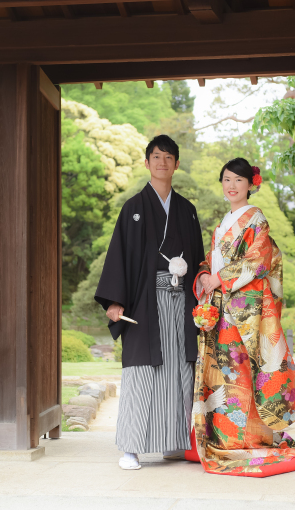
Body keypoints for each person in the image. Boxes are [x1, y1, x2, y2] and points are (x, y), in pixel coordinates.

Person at [187, 157, 295, 477]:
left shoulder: (255, 218)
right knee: (221, 374)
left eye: (238, 181)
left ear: (250, 185)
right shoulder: (224, 222)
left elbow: (259, 259)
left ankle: (246, 438)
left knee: (240, 373)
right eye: (226, 180)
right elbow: (210, 259)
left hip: (241, 309)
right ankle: (223, 435)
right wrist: (204, 275)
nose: (231, 186)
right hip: (220, 306)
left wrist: (220, 278)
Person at [95, 135, 205, 470]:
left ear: (176, 164)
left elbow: (199, 260)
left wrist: (204, 294)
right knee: (142, 371)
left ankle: (175, 444)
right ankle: (131, 447)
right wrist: (115, 301)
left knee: (180, 371)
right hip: (145, 303)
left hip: (182, 302)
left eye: (168, 157)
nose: (161, 162)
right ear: (147, 163)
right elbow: (120, 257)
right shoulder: (133, 209)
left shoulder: (187, 210)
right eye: (155, 157)